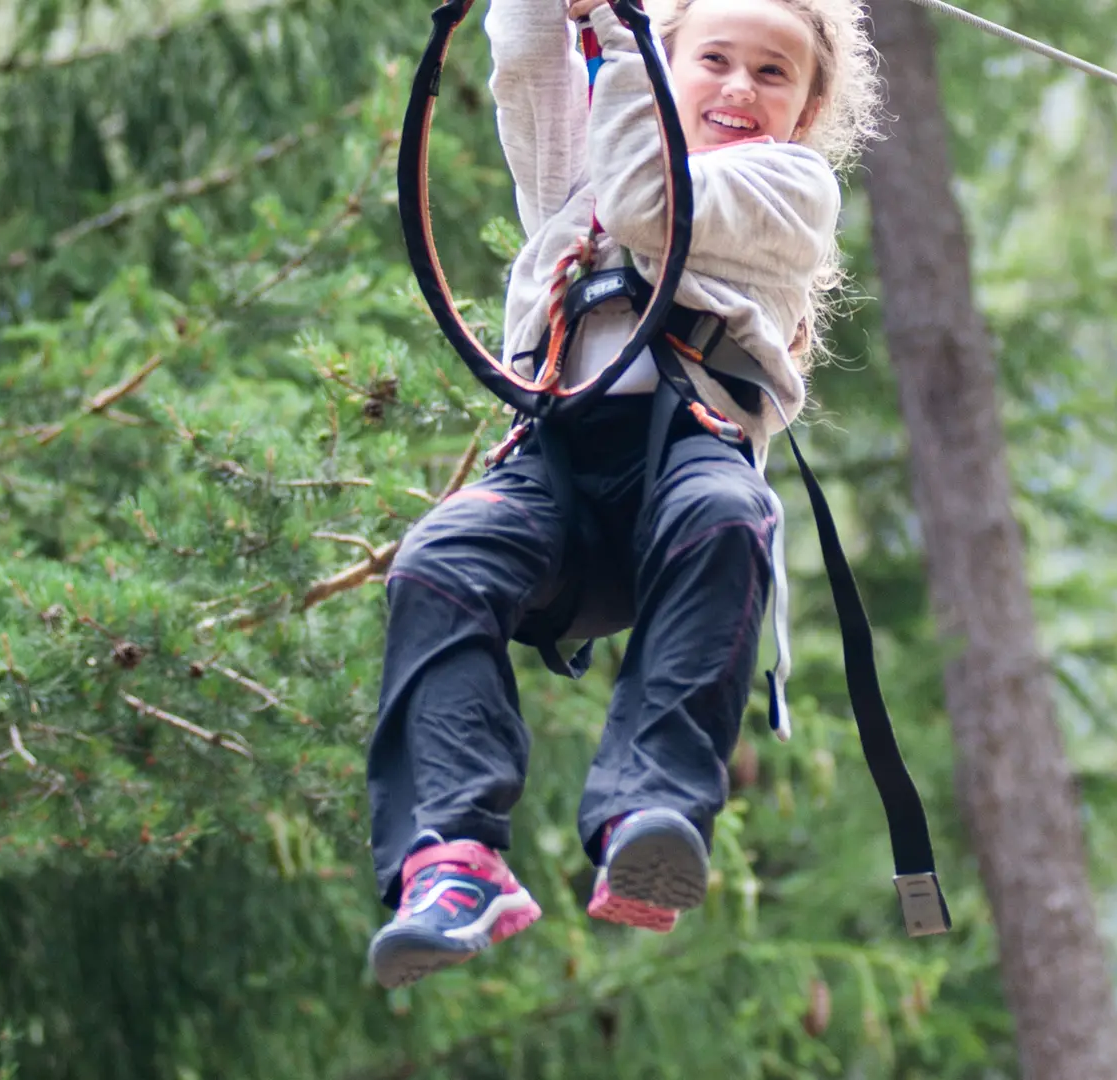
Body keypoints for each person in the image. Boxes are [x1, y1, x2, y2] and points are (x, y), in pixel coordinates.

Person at [365, 0, 881, 989]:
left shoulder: (788, 186)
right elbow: (525, 58)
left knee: (727, 515)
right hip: (556, 472)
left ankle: (651, 812)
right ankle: (449, 855)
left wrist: (614, 29)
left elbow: (653, 204)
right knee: (439, 561)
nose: (739, 86)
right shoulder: (577, 174)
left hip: (685, 456)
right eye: (715, 59)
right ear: (670, 62)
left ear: (809, 110)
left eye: (772, 74)